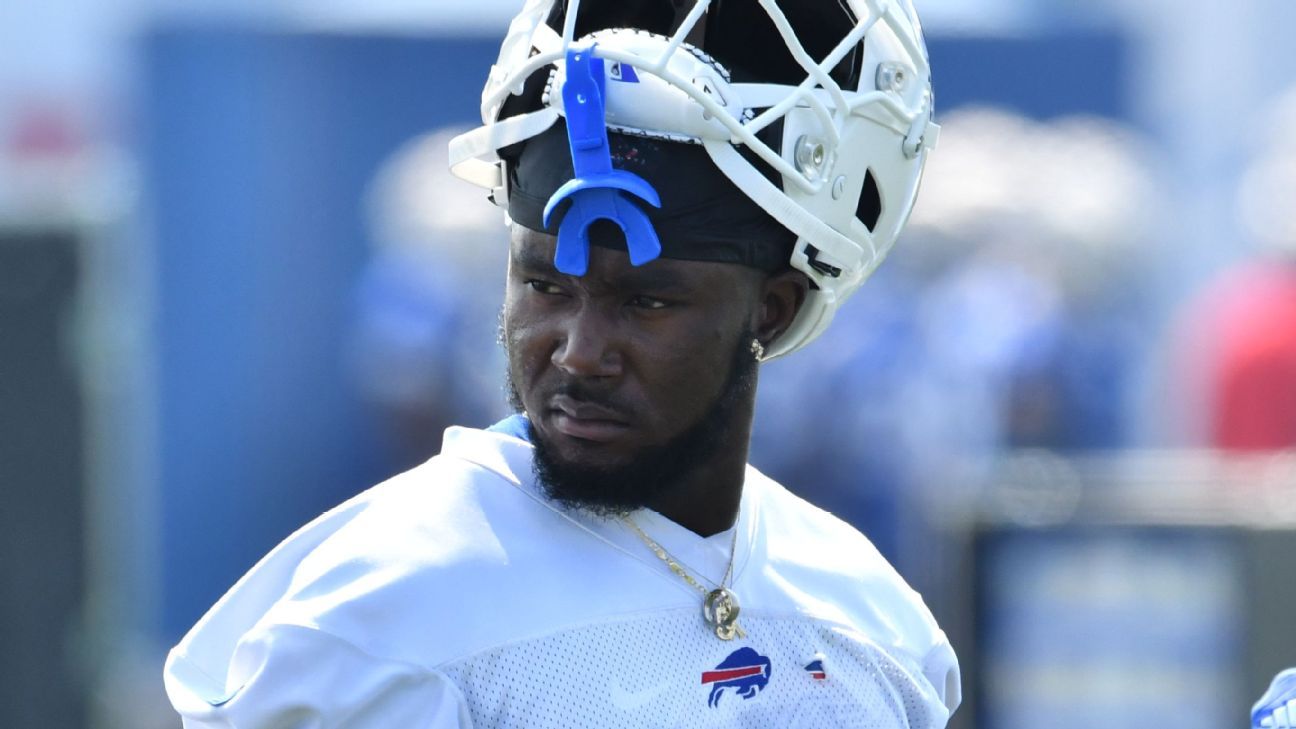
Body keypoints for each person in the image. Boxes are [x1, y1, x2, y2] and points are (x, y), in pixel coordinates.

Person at [163, 0, 960, 726]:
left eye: (646, 302)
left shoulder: (875, 623)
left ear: (773, 308)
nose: (577, 351)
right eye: (544, 284)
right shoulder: (378, 620)